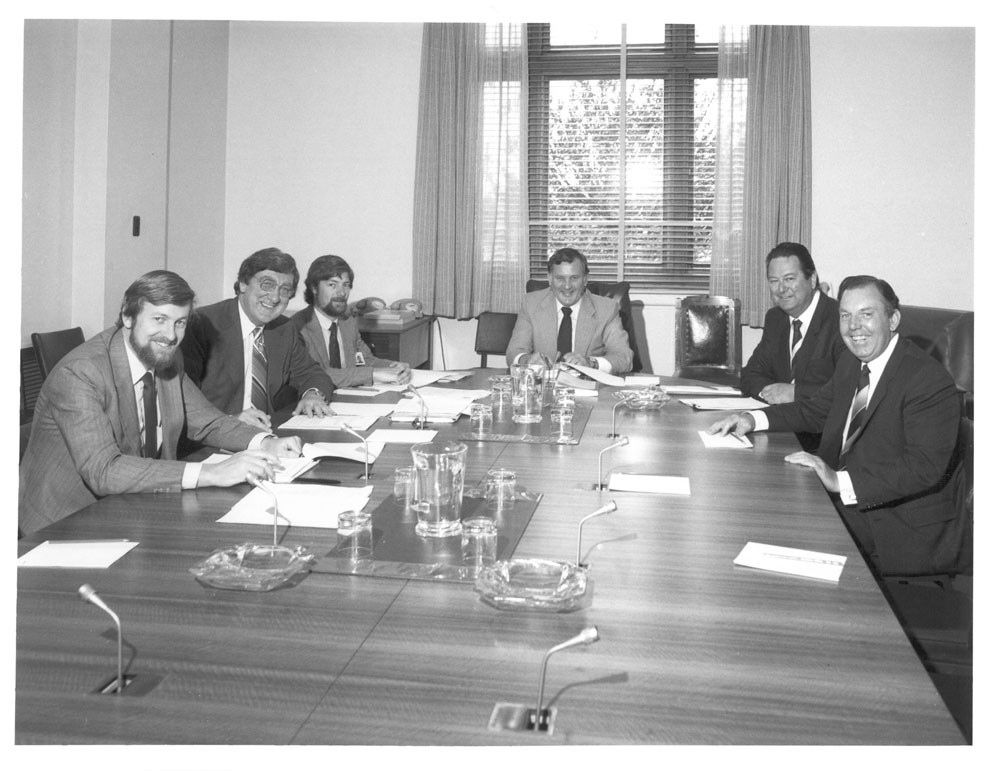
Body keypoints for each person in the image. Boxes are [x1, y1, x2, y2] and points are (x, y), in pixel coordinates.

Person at [709, 276, 967, 577]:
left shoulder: (927, 380)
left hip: (896, 522)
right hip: (851, 501)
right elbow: (816, 410)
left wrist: (838, 481)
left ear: (893, 319)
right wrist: (753, 419)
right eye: (845, 315)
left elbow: (923, 468)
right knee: (756, 508)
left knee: (782, 537)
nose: (853, 326)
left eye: (866, 314)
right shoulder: (852, 363)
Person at [19, 271, 302, 535]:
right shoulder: (81, 372)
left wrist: (265, 443)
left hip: (131, 505)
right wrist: (212, 472)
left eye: (179, 323)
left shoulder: (166, 357)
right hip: (67, 524)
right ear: (128, 318)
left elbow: (207, 422)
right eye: (159, 320)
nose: (170, 335)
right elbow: (104, 471)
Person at [181, 248, 335, 432]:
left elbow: (312, 374)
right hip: (213, 439)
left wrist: (313, 395)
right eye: (267, 284)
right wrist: (230, 420)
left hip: (268, 435)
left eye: (285, 290)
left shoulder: (284, 329)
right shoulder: (202, 325)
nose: (275, 297)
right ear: (243, 284)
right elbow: (183, 402)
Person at [741, 242, 847, 405]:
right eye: (774, 281)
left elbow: (848, 389)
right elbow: (751, 374)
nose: (781, 289)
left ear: (812, 280)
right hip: (781, 421)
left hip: (822, 427)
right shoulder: (775, 318)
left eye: (789, 279)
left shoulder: (841, 319)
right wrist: (771, 394)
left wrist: (796, 393)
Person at [289, 254, 412, 388]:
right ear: (314, 288)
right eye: (332, 285)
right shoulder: (298, 327)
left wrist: (395, 367)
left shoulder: (348, 322)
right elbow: (316, 375)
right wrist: (373, 374)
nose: (342, 293)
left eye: (346, 285)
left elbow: (365, 361)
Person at [506, 247, 633, 375]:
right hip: (544, 388)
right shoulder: (531, 304)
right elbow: (514, 351)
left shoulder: (606, 309)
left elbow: (624, 358)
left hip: (588, 389)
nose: (567, 286)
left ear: (585, 279)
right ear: (549, 279)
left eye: (574, 278)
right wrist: (528, 360)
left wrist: (591, 363)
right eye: (560, 278)